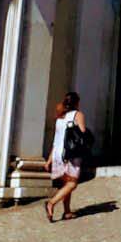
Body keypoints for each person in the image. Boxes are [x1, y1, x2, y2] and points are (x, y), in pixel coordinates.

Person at [44, 91, 88, 221]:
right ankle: (51, 203)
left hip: (58, 153)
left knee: (66, 182)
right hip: (71, 153)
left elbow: (56, 140)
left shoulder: (60, 117)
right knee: (72, 183)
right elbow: (82, 132)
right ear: (77, 102)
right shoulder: (78, 115)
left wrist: (49, 160)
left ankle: (67, 212)